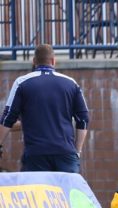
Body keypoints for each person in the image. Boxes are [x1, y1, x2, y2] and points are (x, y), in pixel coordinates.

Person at [0, 44, 89, 173]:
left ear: (34, 61)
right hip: (65, 152)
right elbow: (84, 119)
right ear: (53, 61)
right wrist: (77, 151)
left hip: (36, 153)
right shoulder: (71, 83)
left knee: (37, 191)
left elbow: (7, 118)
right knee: (67, 192)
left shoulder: (22, 82)